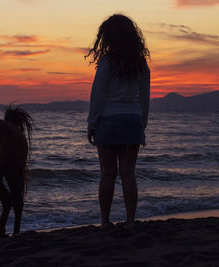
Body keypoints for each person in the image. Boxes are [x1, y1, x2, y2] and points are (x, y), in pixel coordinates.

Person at [85, 14, 150, 228]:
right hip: (132, 119)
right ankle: (131, 220)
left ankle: (105, 221)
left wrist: (92, 123)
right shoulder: (139, 62)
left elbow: (98, 94)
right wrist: (142, 123)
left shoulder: (107, 61)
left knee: (108, 173)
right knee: (128, 173)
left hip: (109, 121)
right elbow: (145, 96)